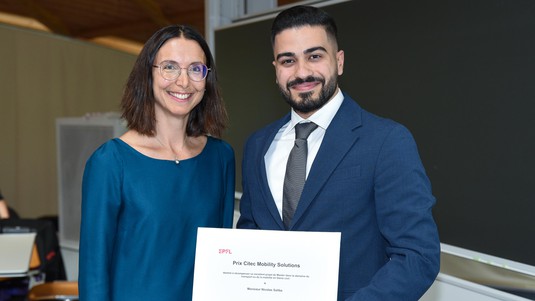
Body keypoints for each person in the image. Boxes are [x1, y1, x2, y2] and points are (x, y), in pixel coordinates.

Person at [237, 5, 440, 301]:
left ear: (339, 61)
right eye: (288, 61)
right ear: (276, 70)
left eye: (314, 56)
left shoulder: (387, 141)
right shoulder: (257, 145)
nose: (302, 72)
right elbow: (250, 237)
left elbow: (417, 256)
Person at [79, 24, 235, 301]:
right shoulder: (110, 162)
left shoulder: (220, 157)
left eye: (196, 69)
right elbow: (94, 275)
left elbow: (222, 259)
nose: (184, 82)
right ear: (147, 75)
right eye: (170, 67)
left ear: (206, 79)